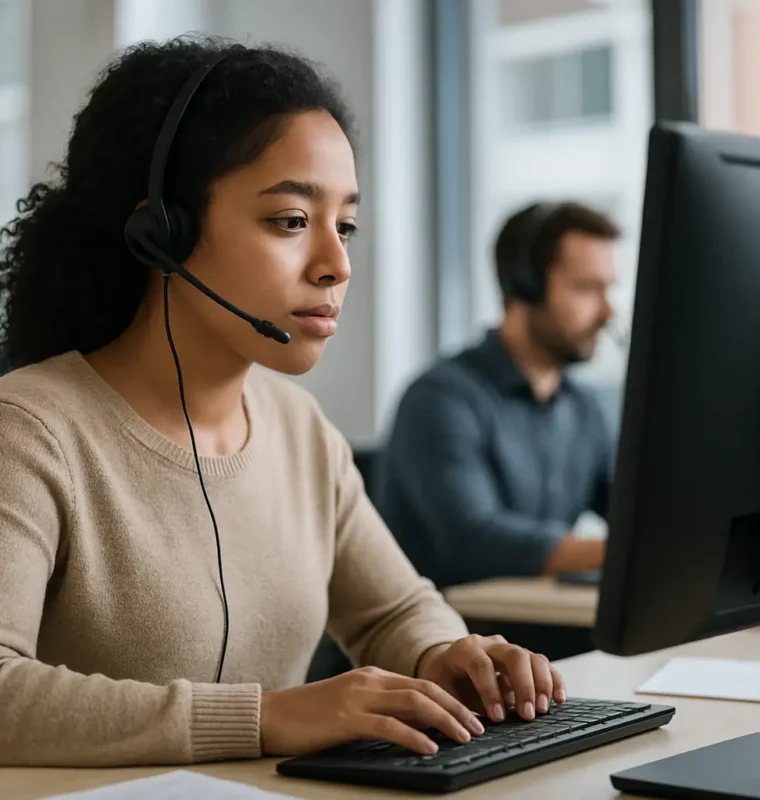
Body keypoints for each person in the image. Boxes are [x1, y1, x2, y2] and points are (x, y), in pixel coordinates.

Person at [0, 38, 566, 769]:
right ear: (162, 233)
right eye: (291, 221)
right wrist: (265, 717)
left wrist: (446, 653)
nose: (338, 264)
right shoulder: (31, 430)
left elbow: (392, 610)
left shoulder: (298, 428)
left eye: (346, 225)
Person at [375, 202, 619, 589]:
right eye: (588, 288)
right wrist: (618, 553)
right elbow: (473, 538)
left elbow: (634, 517)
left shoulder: (584, 409)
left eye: (609, 289)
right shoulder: (440, 398)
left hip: (537, 630)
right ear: (526, 285)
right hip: (451, 636)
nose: (609, 312)